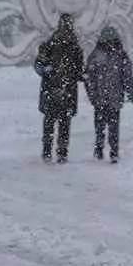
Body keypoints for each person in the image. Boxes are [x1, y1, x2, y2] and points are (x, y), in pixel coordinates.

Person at [34, 13, 84, 164]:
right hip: (67, 91)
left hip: (51, 89)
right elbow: (78, 70)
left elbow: (38, 65)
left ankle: (47, 151)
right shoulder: (74, 47)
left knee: (50, 122)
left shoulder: (50, 44)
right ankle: (61, 152)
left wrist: (47, 70)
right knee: (64, 123)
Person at [84, 26, 133, 163]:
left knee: (112, 127)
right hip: (101, 98)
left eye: (111, 40)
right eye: (107, 40)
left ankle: (113, 151)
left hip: (112, 98)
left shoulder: (118, 55)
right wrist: (92, 95)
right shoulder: (98, 55)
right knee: (101, 126)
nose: (109, 43)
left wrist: (131, 92)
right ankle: (100, 149)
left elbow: (127, 77)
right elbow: (89, 78)